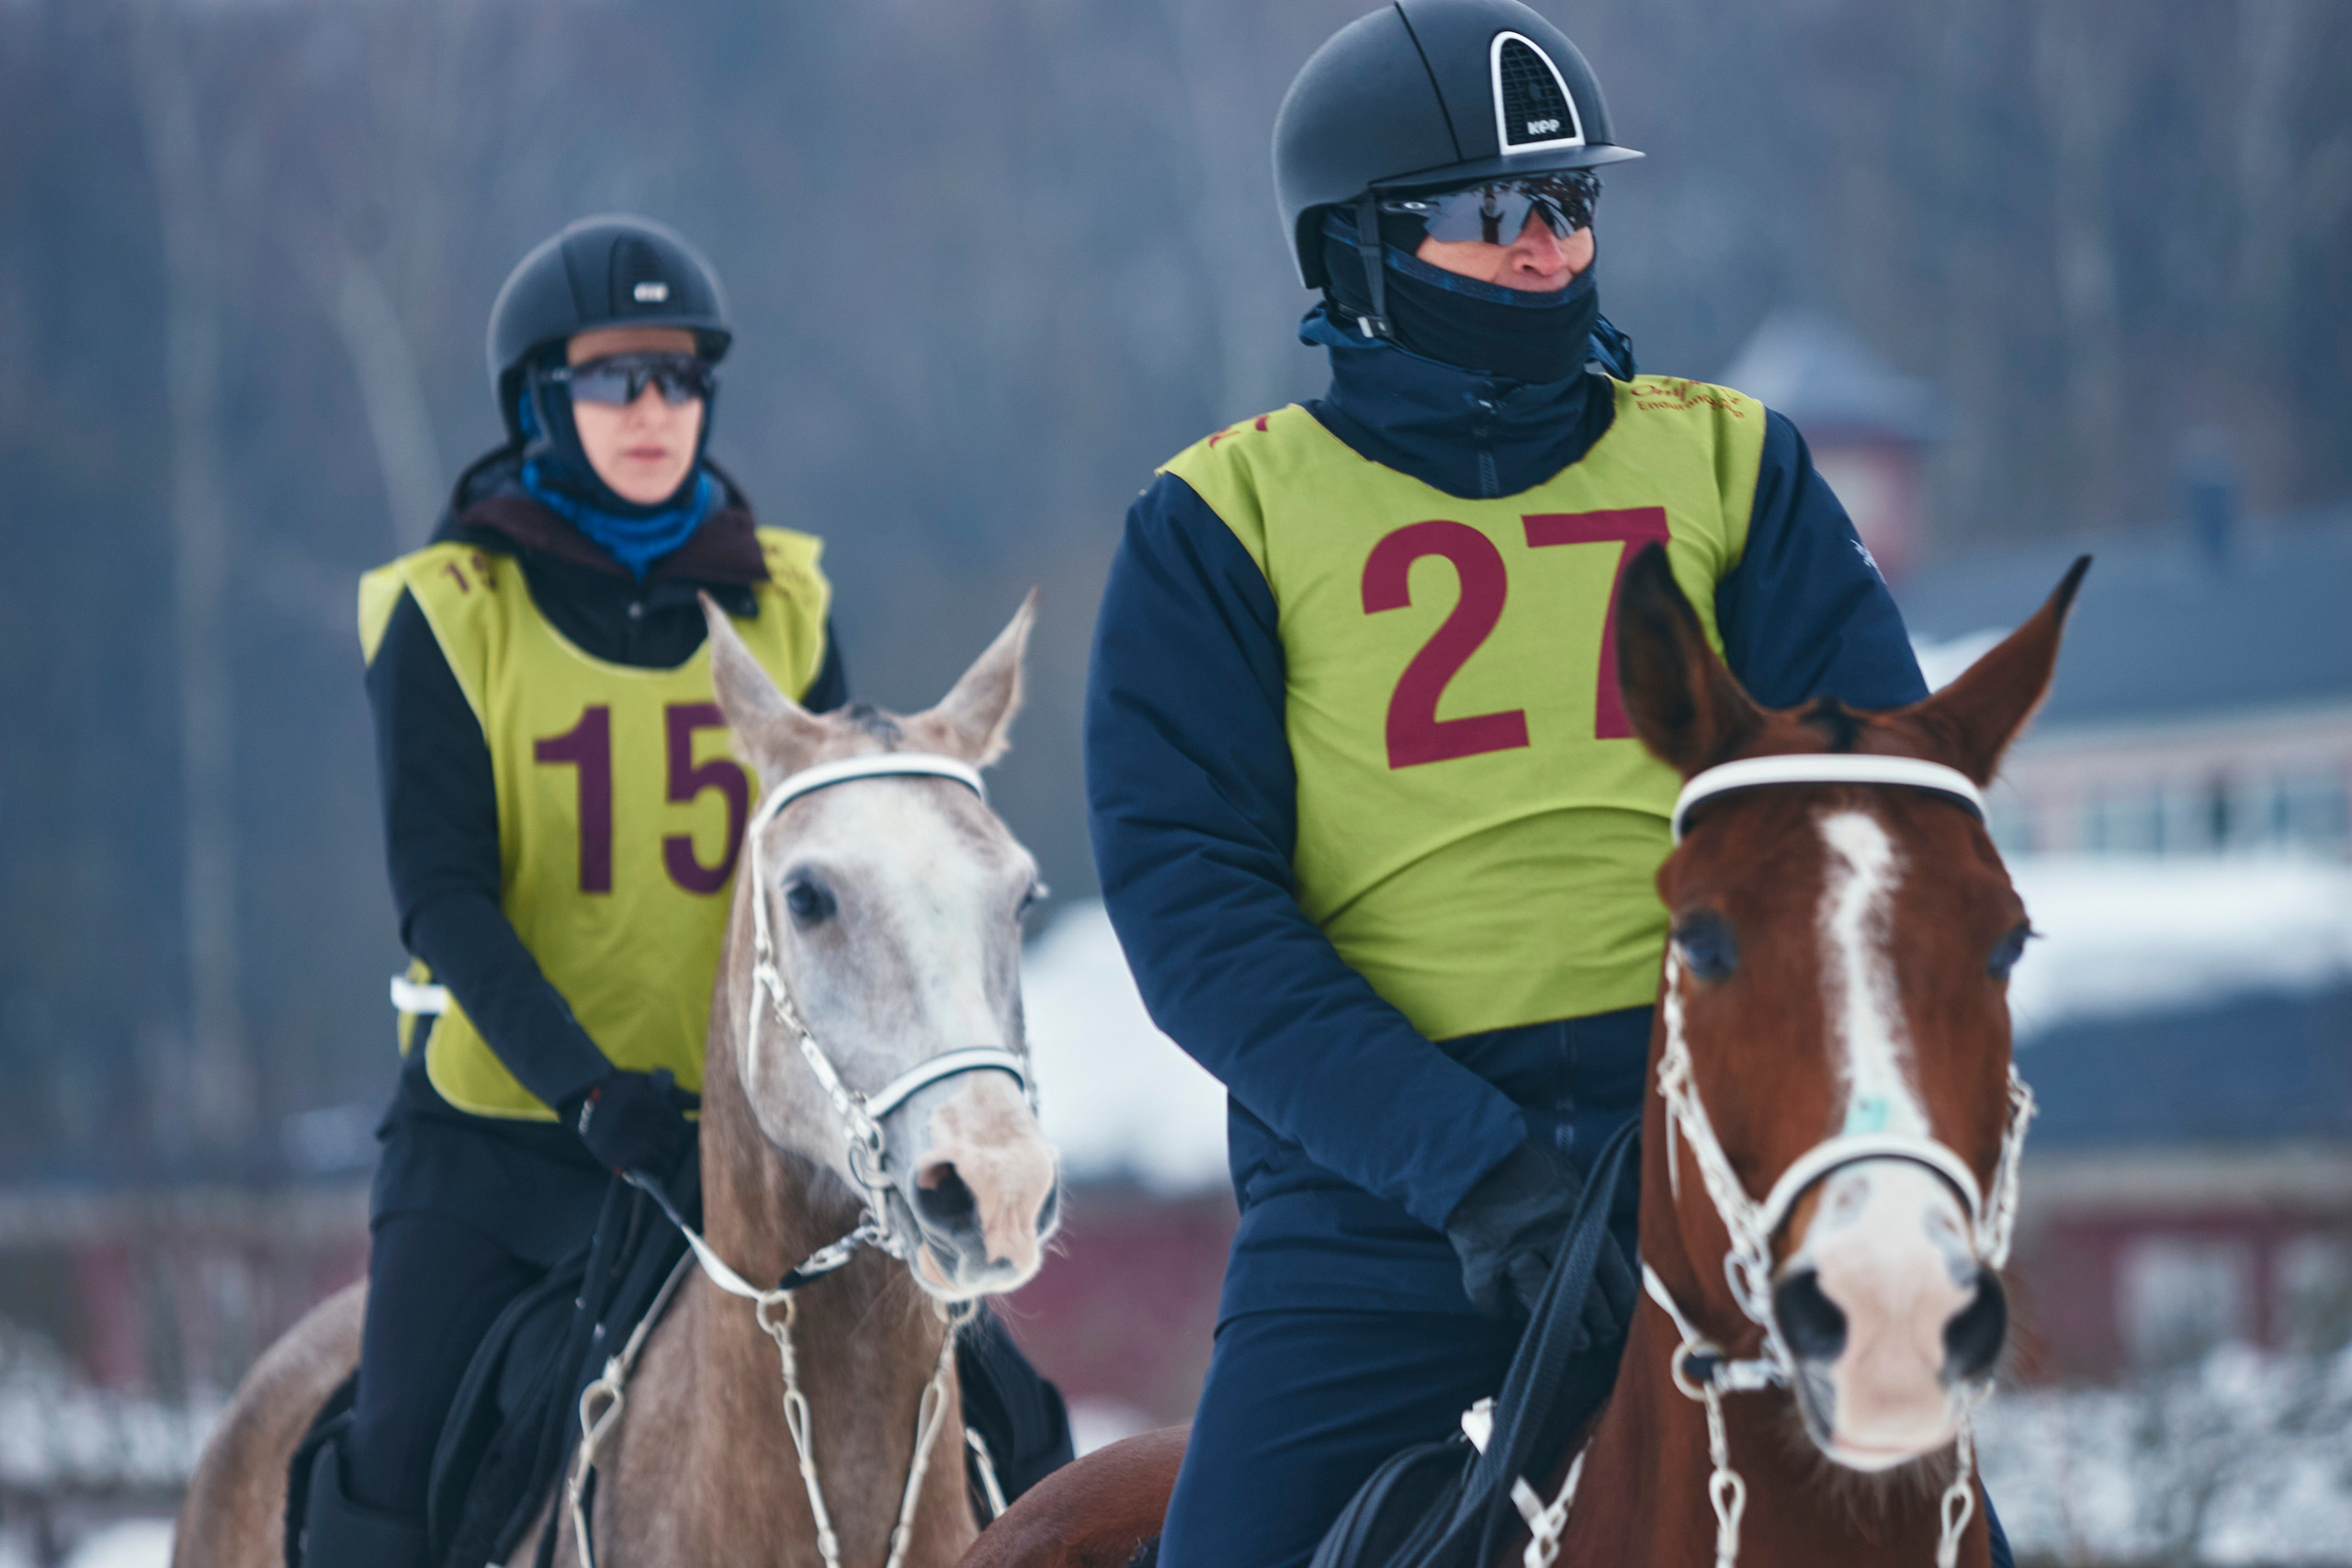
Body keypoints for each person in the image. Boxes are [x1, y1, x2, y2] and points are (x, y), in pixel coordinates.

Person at [1081, 5, 2016, 1566]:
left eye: (1571, 201)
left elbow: (1881, 817)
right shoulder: (1215, 522)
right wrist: (1473, 1167)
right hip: (1380, 1212)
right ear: (1358, 253)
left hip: (1725, 1152)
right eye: (1494, 214)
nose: (1546, 249)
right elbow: (1194, 915)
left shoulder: (1737, 467)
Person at [310, 214, 847, 1566]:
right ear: (544, 397)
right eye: (614, 379)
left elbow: (839, 876)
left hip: (753, 1154)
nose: (653, 408)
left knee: (1016, 1425)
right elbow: (442, 899)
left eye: (678, 378)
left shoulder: (784, 604)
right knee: (388, 1491)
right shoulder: (448, 608)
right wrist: (590, 1089)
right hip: (505, 1143)